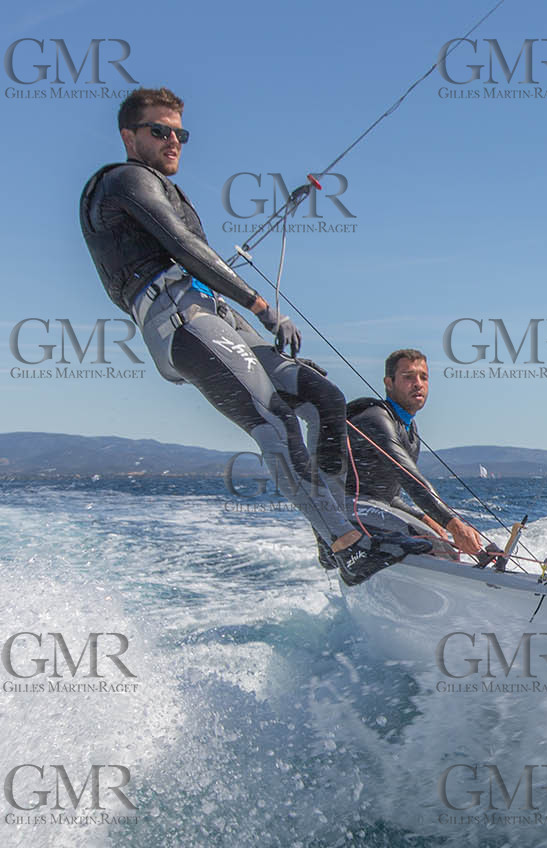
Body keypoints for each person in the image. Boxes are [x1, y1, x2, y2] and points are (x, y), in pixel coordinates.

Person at [79, 86, 429, 584]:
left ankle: (336, 529)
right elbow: (183, 246)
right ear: (128, 136)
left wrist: (242, 308)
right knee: (275, 418)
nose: (173, 141)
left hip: (214, 310)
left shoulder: (164, 186)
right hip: (176, 318)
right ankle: (346, 544)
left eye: (180, 133)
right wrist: (261, 305)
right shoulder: (124, 181)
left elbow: (197, 255)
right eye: (160, 131)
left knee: (324, 398)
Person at [348, 349, 503, 566]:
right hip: (346, 512)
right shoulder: (376, 419)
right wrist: (455, 525)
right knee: (430, 542)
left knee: (439, 540)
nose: (418, 383)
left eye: (424, 377)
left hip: (375, 510)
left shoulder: (409, 430)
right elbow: (410, 479)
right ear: (389, 383)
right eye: (408, 377)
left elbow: (388, 495)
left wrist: (424, 517)